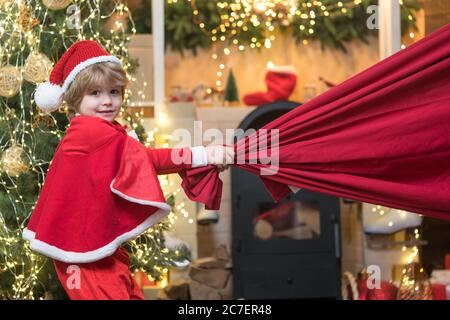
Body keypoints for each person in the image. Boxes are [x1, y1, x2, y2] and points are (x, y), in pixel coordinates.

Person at [23, 40, 234, 299]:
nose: (107, 101)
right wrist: (203, 154)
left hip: (90, 246)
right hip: (85, 251)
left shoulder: (89, 130)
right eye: (95, 93)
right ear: (75, 97)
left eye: (114, 92)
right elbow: (148, 160)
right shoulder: (93, 132)